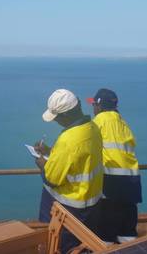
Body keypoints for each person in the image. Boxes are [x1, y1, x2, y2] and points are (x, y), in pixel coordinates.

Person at [35, 89, 104, 253]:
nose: (56, 121)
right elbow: (76, 159)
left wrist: (41, 162)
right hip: (91, 204)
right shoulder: (92, 128)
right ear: (78, 104)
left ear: (64, 116)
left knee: (62, 247)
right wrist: (51, 151)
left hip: (67, 209)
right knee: (83, 245)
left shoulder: (68, 140)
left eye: (57, 117)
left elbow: (52, 178)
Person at [87, 88, 142, 244]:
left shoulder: (98, 122)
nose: (93, 108)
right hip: (132, 179)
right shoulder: (122, 123)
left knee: (106, 228)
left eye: (93, 105)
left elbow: (86, 147)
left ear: (99, 106)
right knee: (127, 227)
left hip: (110, 178)